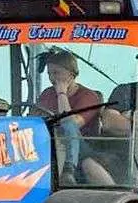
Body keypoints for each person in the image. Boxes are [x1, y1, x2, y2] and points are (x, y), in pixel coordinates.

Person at [37, 49, 113, 184]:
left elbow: (71, 124)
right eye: (49, 74)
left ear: (71, 74)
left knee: (68, 124)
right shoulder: (46, 94)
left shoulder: (89, 97)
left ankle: (68, 169)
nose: (52, 78)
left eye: (56, 73)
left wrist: (61, 93)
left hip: (83, 147)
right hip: (50, 143)